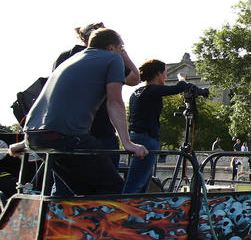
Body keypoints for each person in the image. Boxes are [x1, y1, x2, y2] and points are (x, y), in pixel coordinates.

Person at [9, 28, 147, 196]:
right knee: (112, 192)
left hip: (35, 135)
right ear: (111, 48)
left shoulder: (72, 60)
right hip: (67, 136)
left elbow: (51, 104)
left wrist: (26, 142)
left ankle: (74, 221)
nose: (122, 52)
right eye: (121, 48)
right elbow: (114, 102)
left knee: (81, 193)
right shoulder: (112, 58)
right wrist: (127, 143)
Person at [52, 22, 139, 170]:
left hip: (63, 130)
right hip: (99, 128)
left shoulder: (66, 57)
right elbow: (133, 80)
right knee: (108, 187)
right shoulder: (109, 58)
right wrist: (126, 142)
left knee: (65, 186)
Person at [122, 60, 191, 194]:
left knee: (142, 180)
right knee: (136, 182)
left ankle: (136, 209)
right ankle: (127, 210)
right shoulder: (152, 90)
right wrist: (181, 78)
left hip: (136, 136)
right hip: (147, 139)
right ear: (159, 74)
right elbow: (179, 87)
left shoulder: (137, 93)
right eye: (165, 73)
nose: (166, 76)